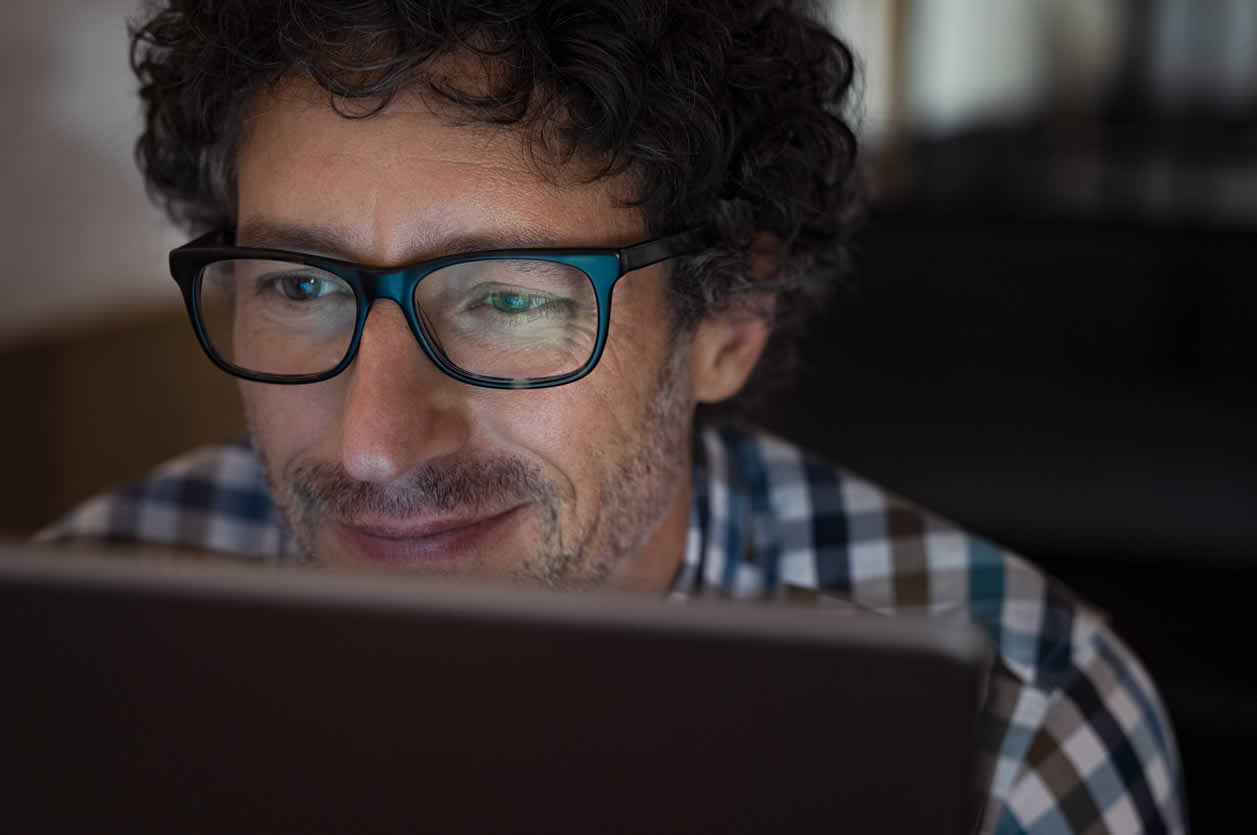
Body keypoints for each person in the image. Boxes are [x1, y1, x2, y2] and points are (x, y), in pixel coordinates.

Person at [39, 1, 1185, 831]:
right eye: (296, 286)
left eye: (503, 298)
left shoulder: (1014, 735)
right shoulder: (59, 657)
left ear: (729, 318)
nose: (369, 443)